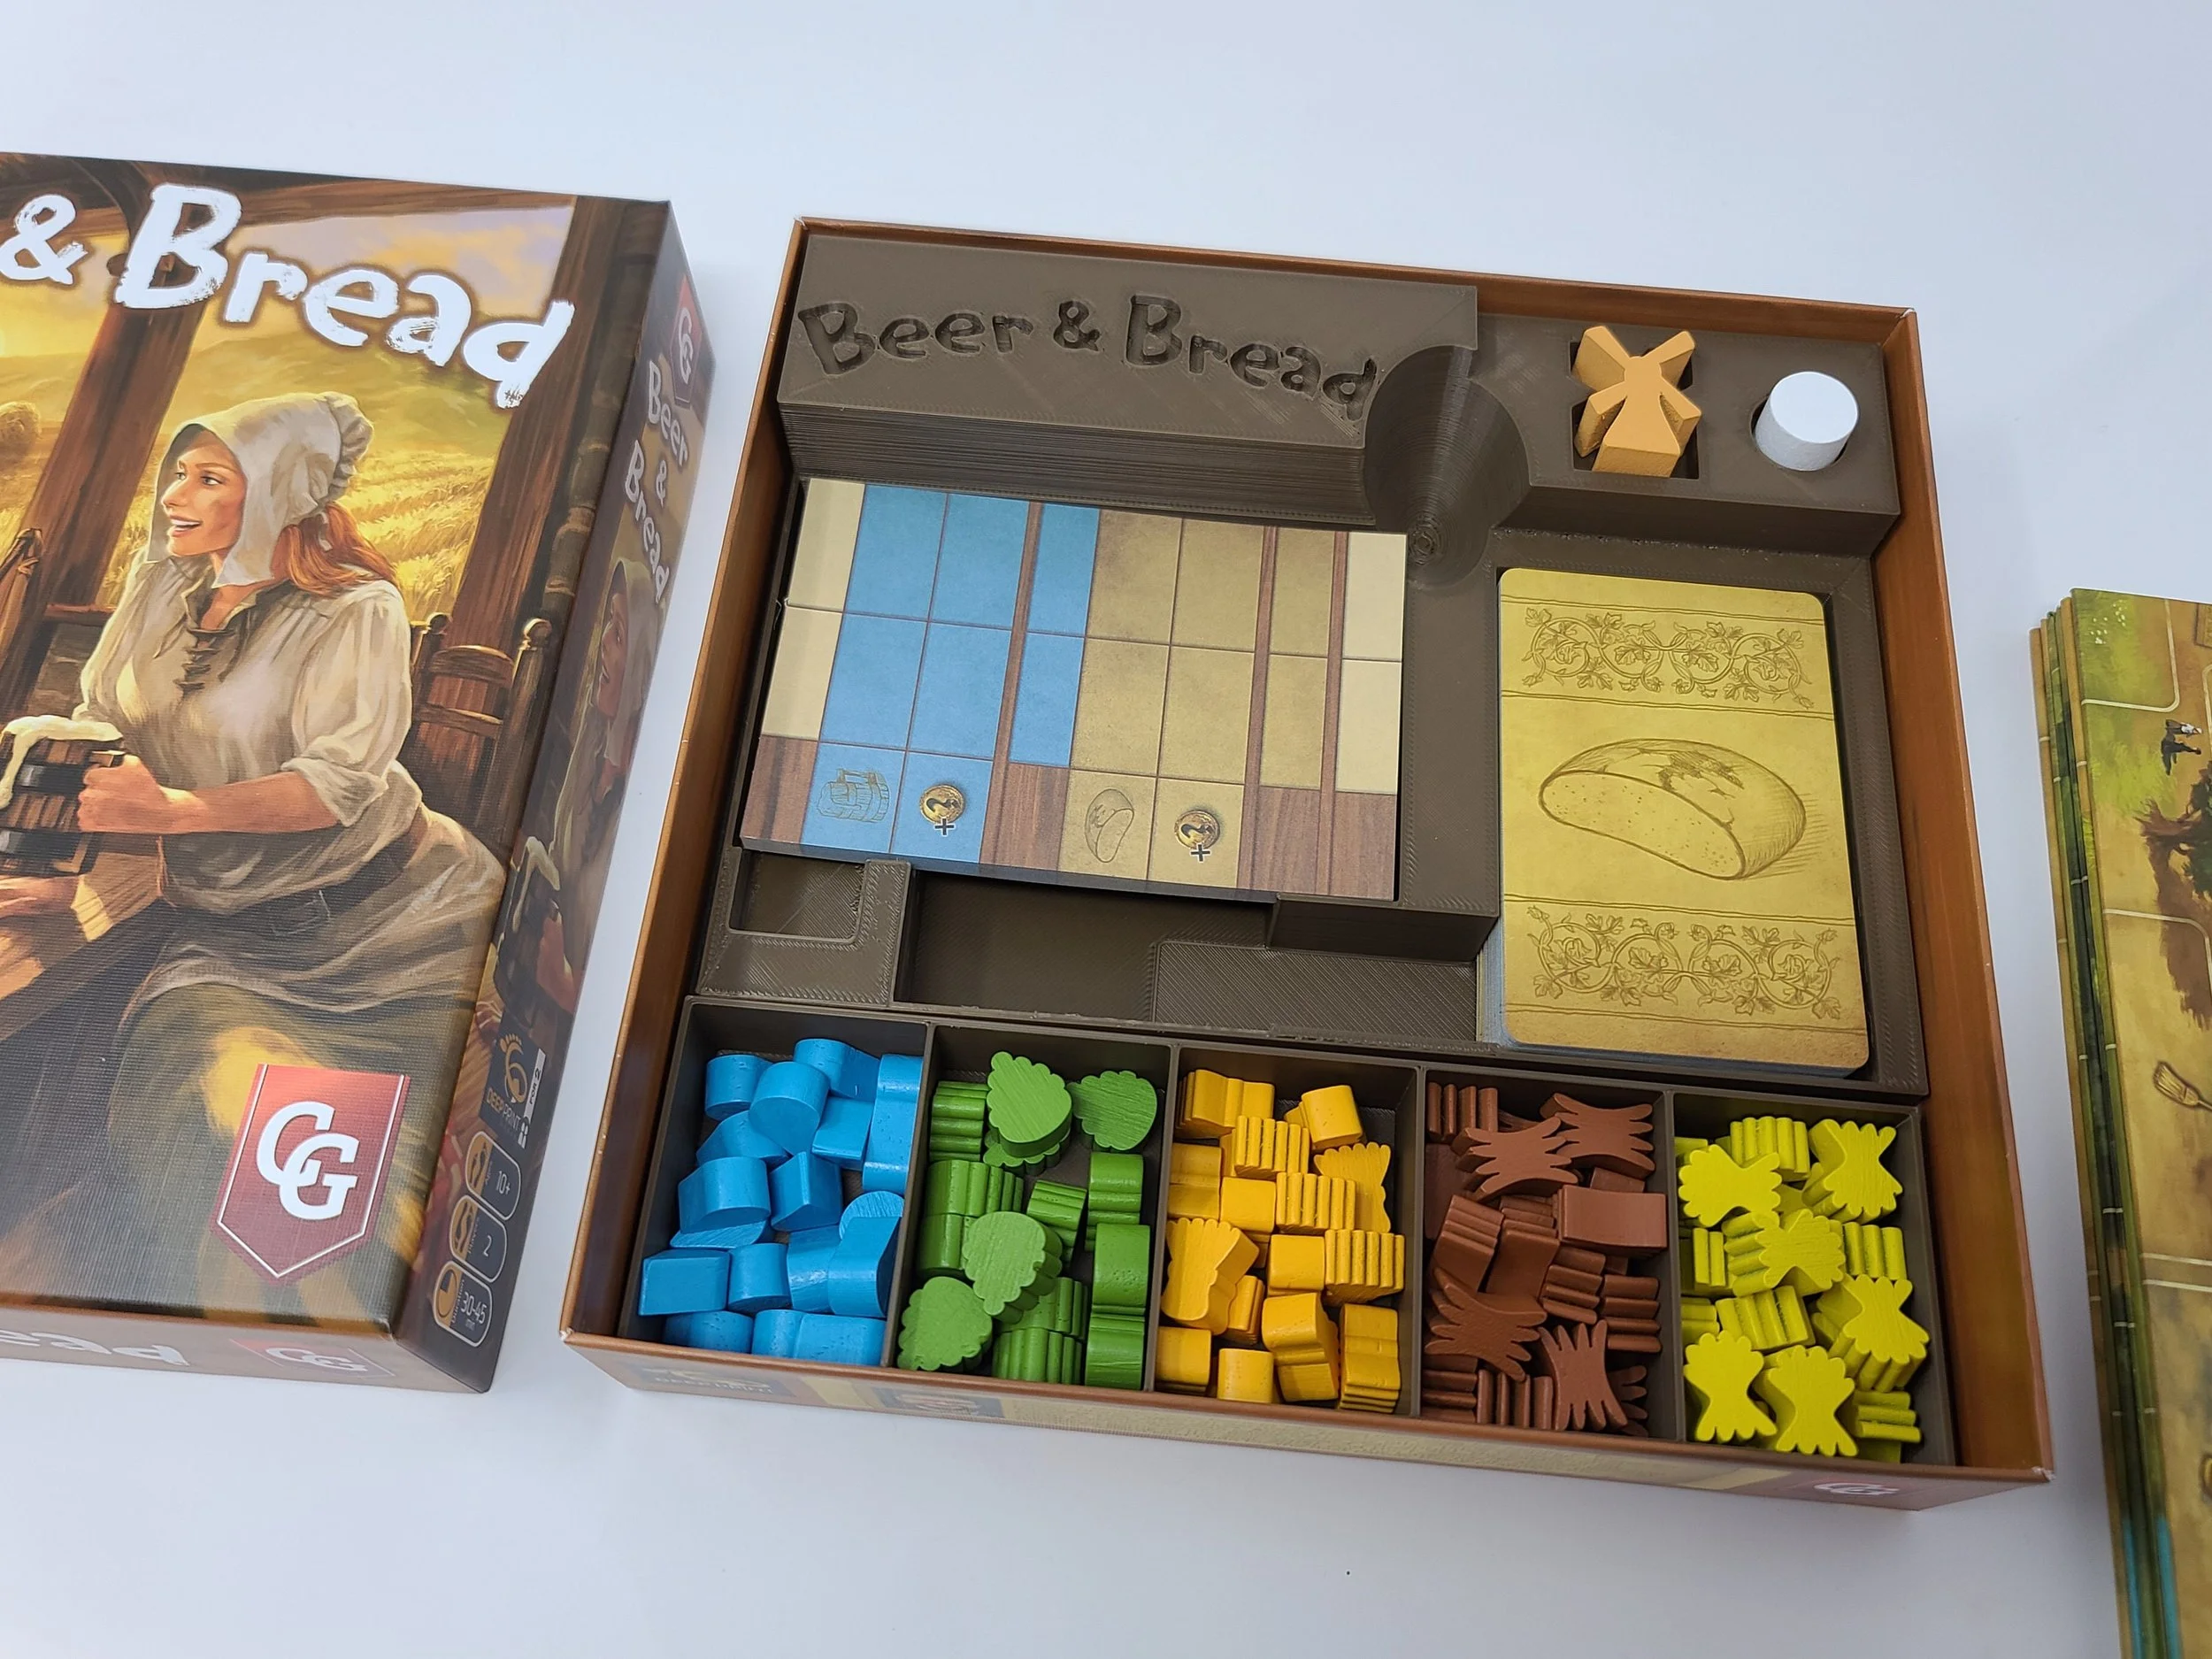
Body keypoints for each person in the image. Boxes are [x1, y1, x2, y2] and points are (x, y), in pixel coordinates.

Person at [0, 392, 503, 1320]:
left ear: (278, 491)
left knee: (367, 1183)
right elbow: (104, 724)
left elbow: (335, 784)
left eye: (209, 477)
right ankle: (258, 1326)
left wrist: (175, 811)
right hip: (229, 941)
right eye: (176, 473)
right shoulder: (162, 583)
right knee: (211, 1115)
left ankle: (338, 1326)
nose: (174, 496)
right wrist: (52, 858)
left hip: (403, 928)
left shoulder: (357, 609)